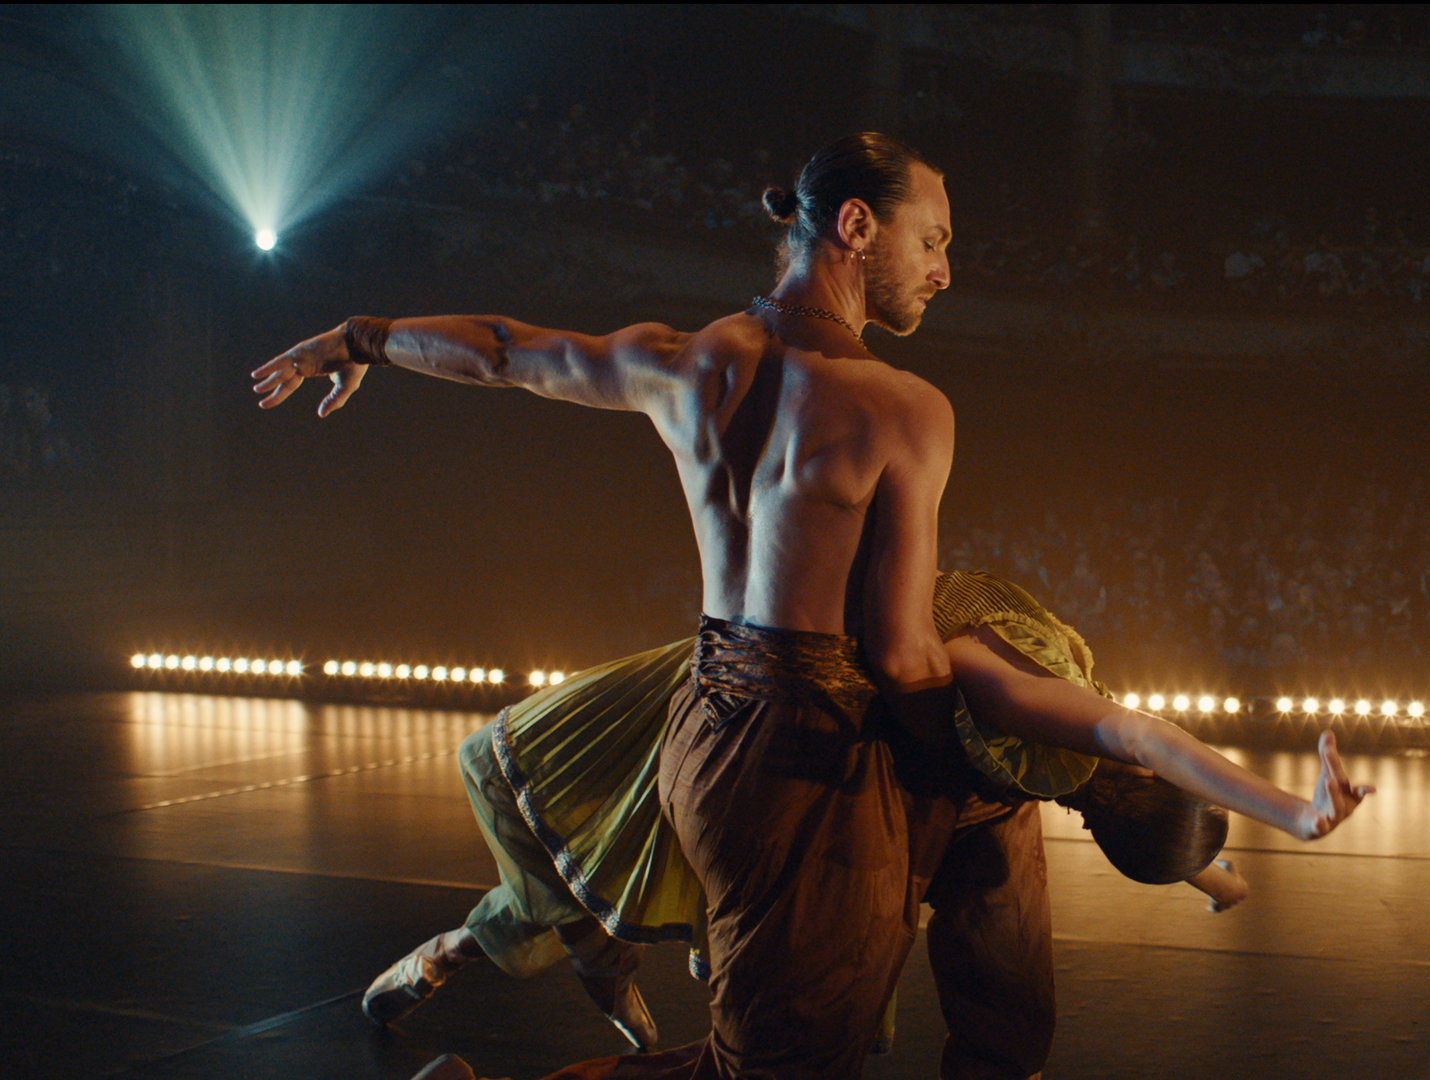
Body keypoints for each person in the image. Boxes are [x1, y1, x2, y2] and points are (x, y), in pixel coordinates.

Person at [255, 134, 1059, 1080]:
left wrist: (361, 338)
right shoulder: (902, 407)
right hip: (799, 753)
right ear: (855, 225)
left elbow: (508, 352)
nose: (946, 271)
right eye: (933, 240)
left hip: (706, 728)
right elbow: (902, 655)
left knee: (993, 837)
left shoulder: (683, 363)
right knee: (773, 1060)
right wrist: (988, 745)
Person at [365, 569, 1366, 1076]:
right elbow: (1138, 739)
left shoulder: (1078, 768)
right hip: (817, 750)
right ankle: (470, 965)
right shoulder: (1039, 708)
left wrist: (1225, 868)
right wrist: (1291, 807)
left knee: (1007, 979)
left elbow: (1155, 806)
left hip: (929, 777)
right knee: (778, 1036)